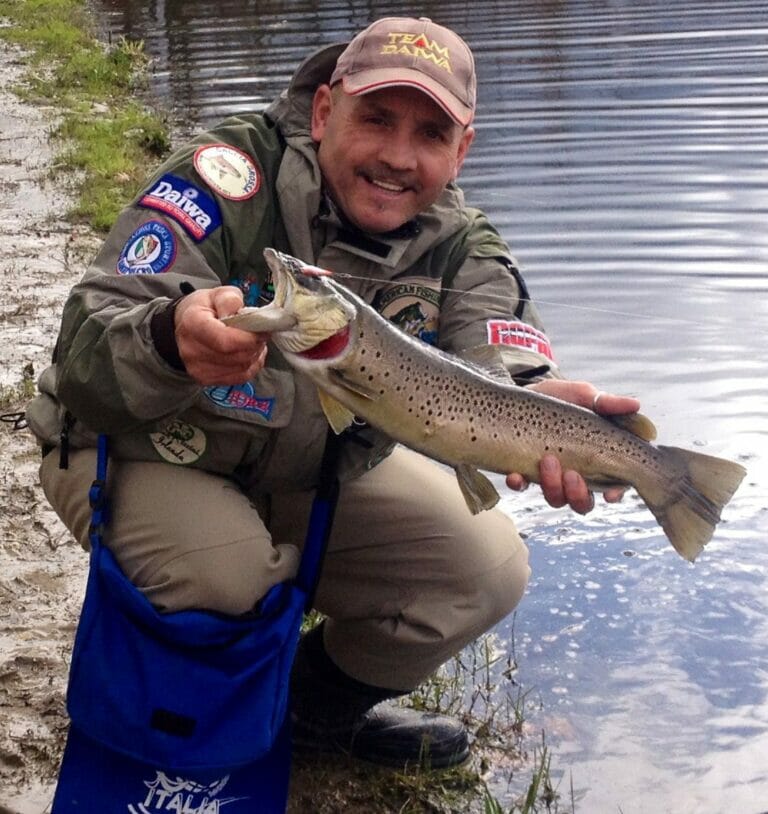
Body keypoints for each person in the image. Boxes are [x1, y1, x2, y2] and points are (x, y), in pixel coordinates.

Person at [27, 16, 638, 771]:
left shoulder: (465, 245)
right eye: (376, 119)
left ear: (462, 150)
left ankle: (309, 715)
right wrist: (167, 340)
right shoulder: (226, 177)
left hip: (304, 466)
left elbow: (503, 366)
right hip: (142, 444)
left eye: (430, 134)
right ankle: (184, 711)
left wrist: (548, 408)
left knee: (486, 569)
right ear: (324, 111)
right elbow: (82, 352)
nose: (397, 156)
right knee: (230, 577)